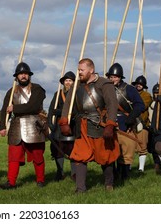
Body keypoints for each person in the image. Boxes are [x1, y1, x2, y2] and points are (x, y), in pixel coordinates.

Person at [59, 58, 119, 193]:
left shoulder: (104, 84)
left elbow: (112, 105)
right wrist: (64, 121)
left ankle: (109, 184)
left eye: (82, 70)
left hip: (100, 125)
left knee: (105, 157)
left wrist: (110, 124)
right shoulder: (76, 86)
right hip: (82, 125)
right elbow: (67, 105)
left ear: (91, 70)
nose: (79, 73)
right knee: (79, 156)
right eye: (78, 70)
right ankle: (80, 188)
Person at [0, 62, 47, 189]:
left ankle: (40, 180)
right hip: (16, 126)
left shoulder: (37, 89)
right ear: (17, 77)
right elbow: (5, 109)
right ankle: (11, 182)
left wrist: (15, 108)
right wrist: (2, 126)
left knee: (37, 155)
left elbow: (33, 106)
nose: (23, 76)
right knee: (14, 156)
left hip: (34, 124)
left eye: (25, 73)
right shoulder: (11, 91)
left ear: (29, 75)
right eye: (20, 74)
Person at [106, 63, 144, 181]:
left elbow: (140, 105)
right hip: (109, 123)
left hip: (124, 124)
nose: (113, 79)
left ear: (120, 77)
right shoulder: (105, 89)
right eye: (111, 77)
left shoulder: (129, 89)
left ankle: (124, 177)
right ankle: (112, 177)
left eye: (115, 77)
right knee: (110, 151)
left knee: (126, 152)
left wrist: (130, 118)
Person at [47, 71, 76, 181]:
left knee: (73, 150)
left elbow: (76, 110)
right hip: (59, 126)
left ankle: (74, 173)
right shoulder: (58, 94)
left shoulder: (76, 94)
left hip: (72, 125)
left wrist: (61, 112)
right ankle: (60, 172)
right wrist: (50, 123)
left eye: (70, 80)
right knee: (57, 149)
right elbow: (51, 110)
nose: (68, 82)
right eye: (66, 81)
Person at [131, 75, 153, 173]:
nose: (138, 86)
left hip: (142, 123)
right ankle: (129, 167)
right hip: (131, 123)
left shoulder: (147, 95)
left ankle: (141, 168)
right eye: (137, 84)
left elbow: (142, 106)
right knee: (130, 147)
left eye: (140, 84)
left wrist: (132, 103)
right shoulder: (130, 93)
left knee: (142, 147)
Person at [147, 83, 161, 173]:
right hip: (151, 127)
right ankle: (156, 163)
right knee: (152, 148)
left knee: (160, 147)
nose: (157, 94)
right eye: (155, 92)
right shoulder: (151, 103)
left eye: (158, 92)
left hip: (160, 128)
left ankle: (160, 164)